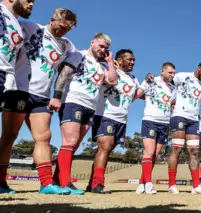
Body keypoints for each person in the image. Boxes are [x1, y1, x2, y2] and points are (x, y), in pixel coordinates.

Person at [0, 8, 76, 195]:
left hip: (42, 96)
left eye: (67, 29)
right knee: (10, 135)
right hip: (19, 89)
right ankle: (1, 181)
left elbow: (80, 57)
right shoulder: (31, 28)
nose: (63, 31)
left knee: (44, 137)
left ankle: (46, 184)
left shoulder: (66, 45)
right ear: (52, 19)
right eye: (61, 26)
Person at [53, 33, 118, 195]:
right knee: (70, 141)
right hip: (73, 101)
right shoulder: (78, 55)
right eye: (101, 46)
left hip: (90, 107)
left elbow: (112, 81)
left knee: (74, 145)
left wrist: (110, 61)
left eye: (106, 48)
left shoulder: (101, 66)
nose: (103, 50)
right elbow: (63, 74)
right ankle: (66, 183)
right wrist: (56, 97)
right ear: (92, 42)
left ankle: (57, 179)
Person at [87, 49, 139, 193]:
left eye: (134, 60)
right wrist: (109, 63)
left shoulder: (134, 79)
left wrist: (148, 84)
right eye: (129, 59)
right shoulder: (108, 70)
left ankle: (92, 183)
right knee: (105, 146)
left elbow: (133, 96)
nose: (132, 62)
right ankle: (98, 184)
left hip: (121, 119)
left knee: (107, 150)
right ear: (119, 60)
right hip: (105, 115)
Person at [0, 0, 34, 194]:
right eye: (28, 0)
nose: (31, 5)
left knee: (8, 135)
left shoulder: (18, 26)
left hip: (6, 78)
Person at [167, 61, 201, 194]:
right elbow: (166, 82)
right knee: (177, 148)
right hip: (179, 116)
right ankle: (171, 184)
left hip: (193, 120)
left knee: (194, 151)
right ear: (198, 68)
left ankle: (196, 186)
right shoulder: (182, 76)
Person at [135, 62, 176, 194]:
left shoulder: (172, 88)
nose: (172, 75)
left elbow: (172, 103)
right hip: (150, 120)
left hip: (164, 123)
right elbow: (138, 93)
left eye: (174, 73)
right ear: (162, 71)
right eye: (170, 72)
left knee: (155, 154)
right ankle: (148, 183)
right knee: (149, 151)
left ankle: (142, 182)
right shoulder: (152, 80)